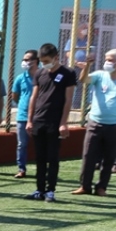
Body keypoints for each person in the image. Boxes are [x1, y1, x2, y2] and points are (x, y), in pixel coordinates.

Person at [72, 49, 116, 196]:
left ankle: (101, 187)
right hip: (95, 122)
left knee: (109, 158)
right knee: (88, 156)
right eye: (106, 59)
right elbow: (84, 80)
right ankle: (85, 186)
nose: (107, 62)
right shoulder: (99, 75)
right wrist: (88, 66)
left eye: (111, 60)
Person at [24, 43, 78, 203]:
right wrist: (29, 120)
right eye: (41, 61)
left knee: (52, 158)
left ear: (56, 58)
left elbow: (68, 99)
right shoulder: (40, 73)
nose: (43, 63)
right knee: (39, 158)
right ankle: (39, 190)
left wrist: (63, 122)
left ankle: (50, 191)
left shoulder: (68, 73)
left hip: (55, 122)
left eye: (46, 60)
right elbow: (34, 97)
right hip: (38, 121)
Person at [10, 49, 39, 178]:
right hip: (22, 116)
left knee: (41, 144)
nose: (24, 62)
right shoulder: (20, 78)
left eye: (27, 60)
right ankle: (21, 169)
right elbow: (15, 96)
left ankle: (42, 169)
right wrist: (23, 105)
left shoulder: (43, 75)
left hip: (39, 116)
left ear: (36, 61)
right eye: (24, 60)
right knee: (22, 144)